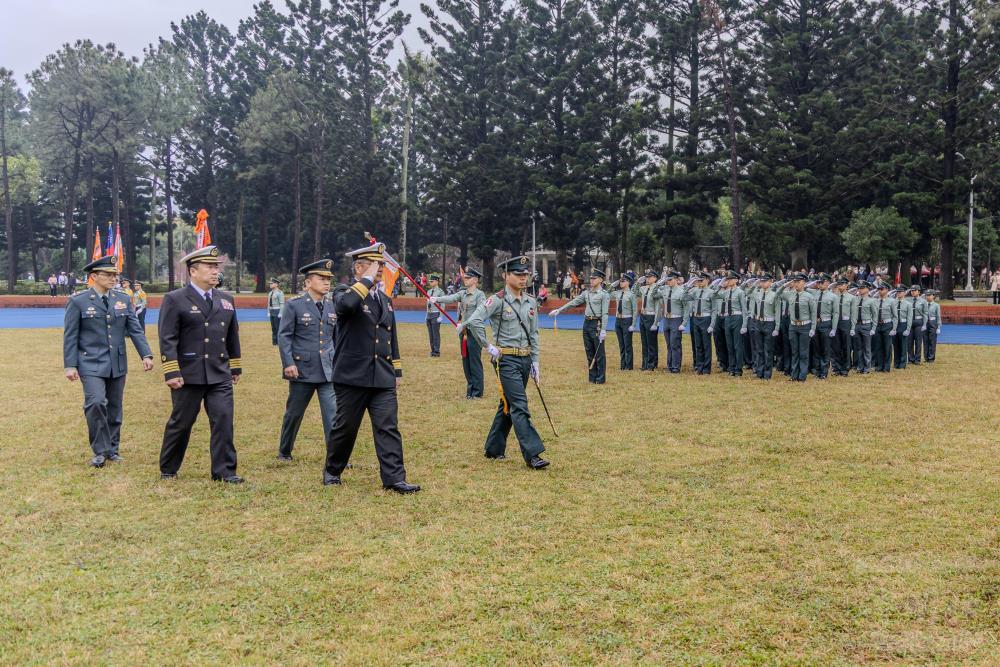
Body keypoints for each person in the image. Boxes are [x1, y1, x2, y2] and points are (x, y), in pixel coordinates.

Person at [323, 242, 420, 493]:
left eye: (381, 265)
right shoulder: (343, 292)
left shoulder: (385, 300)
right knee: (346, 428)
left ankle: (394, 478)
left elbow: (391, 337)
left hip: (382, 377)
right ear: (358, 267)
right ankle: (333, 470)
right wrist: (365, 280)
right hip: (352, 376)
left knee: (388, 427)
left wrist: (396, 371)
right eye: (374, 265)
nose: (380, 269)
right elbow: (346, 306)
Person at [158, 245, 245, 483]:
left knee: (224, 421)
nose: (215, 271)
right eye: (210, 267)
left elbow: (232, 335)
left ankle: (225, 471)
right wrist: (171, 371)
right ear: (193, 271)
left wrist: (235, 366)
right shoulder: (175, 299)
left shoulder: (226, 300)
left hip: (219, 373)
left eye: (217, 267)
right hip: (188, 375)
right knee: (182, 422)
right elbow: (168, 338)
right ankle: (168, 467)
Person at [63, 255, 154, 468]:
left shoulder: (122, 298)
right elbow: (70, 336)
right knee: (95, 403)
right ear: (94, 276)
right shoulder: (78, 301)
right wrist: (70, 365)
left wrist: (146, 354)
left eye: (115, 274)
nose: (114, 278)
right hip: (90, 363)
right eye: (109, 274)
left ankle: (112, 449)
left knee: (114, 407)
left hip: (117, 362)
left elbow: (134, 329)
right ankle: (99, 450)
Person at [466, 255, 549, 469]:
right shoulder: (498, 300)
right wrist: (487, 345)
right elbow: (474, 321)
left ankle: (493, 448)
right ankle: (533, 453)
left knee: (508, 404)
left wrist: (536, 361)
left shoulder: (531, 301)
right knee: (519, 405)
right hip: (506, 360)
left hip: (525, 358)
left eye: (525, 275)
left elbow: (535, 333)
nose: (523, 278)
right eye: (518, 274)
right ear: (505, 275)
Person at [274, 259, 339, 462]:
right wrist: (289, 363)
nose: (327, 283)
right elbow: (284, 336)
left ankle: (335, 455)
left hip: (328, 369)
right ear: (308, 282)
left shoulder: (332, 305)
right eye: (321, 279)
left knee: (333, 415)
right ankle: (285, 451)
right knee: (294, 414)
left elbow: (335, 337)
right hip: (302, 369)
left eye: (328, 279)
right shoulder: (295, 305)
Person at [431, 266, 487, 399]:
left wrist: (464, 324)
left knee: (474, 362)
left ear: (475, 280)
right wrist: (436, 299)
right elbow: (450, 298)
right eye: (465, 277)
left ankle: (477, 392)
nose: (465, 280)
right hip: (464, 333)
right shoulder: (463, 293)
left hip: (475, 333)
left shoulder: (480, 295)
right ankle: (470, 390)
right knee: (465, 362)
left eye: (468, 278)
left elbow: (480, 315)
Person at [550, 268, 610, 384]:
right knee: (589, 351)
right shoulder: (586, 293)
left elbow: (605, 314)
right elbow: (574, 302)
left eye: (594, 278)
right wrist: (559, 310)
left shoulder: (604, 295)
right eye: (591, 278)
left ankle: (600, 378)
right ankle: (592, 377)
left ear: (600, 280)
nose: (591, 280)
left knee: (599, 353)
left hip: (596, 324)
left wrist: (603, 330)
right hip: (586, 323)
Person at [777, 273, 817, 381]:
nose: (796, 284)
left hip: (805, 326)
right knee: (794, 352)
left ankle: (802, 376)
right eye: (795, 282)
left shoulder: (809, 296)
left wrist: (813, 328)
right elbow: (777, 293)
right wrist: (786, 285)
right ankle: (794, 375)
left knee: (803, 352)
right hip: (793, 326)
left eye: (798, 282)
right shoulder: (790, 294)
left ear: (804, 283)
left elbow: (813, 313)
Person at [743, 273, 782, 379]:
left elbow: (777, 312)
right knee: (759, 349)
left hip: (769, 323)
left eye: (765, 281)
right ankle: (759, 371)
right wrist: (755, 285)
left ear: (770, 282)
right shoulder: (757, 293)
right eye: (761, 281)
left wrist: (777, 327)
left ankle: (767, 373)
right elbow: (746, 292)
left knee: (768, 349)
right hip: (757, 322)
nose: (762, 283)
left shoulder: (774, 295)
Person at [713, 270, 749, 376]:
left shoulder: (740, 292)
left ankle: (738, 369)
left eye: (730, 279)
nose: (727, 281)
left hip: (737, 318)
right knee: (729, 344)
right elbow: (714, 295)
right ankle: (731, 367)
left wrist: (744, 325)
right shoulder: (726, 292)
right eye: (727, 279)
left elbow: (744, 310)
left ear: (736, 280)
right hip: (727, 318)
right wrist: (720, 285)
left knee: (737, 345)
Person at [684, 272, 717, 374]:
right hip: (696, 318)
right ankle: (699, 366)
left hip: (705, 318)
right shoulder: (695, 291)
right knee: (698, 344)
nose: (699, 282)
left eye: (701, 280)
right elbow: (684, 297)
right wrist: (688, 286)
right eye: (698, 280)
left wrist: (712, 324)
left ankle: (706, 368)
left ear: (707, 280)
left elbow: (714, 310)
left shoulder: (712, 293)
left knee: (706, 344)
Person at [807, 274, 837, 379]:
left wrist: (833, 328)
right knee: (816, 348)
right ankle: (817, 370)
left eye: (822, 282)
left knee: (825, 348)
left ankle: (824, 372)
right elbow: (805, 286)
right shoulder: (814, 293)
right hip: (815, 324)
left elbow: (836, 313)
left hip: (826, 323)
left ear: (828, 283)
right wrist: (813, 283)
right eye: (818, 282)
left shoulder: (833, 296)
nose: (819, 284)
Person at [657, 271, 688, 373]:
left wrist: (684, 323)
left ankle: (676, 367)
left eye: (670, 280)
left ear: (676, 280)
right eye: (667, 280)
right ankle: (670, 366)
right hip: (666, 319)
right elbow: (654, 294)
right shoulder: (665, 290)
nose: (668, 282)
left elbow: (686, 308)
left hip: (676, 319)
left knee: (675, 344)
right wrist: (659, 283)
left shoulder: (681, 291)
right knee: (669, 344)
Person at [609, 273, 638, 370]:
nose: (621, 283)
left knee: (627, 344)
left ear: (628, 282)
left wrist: (633, 324)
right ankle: (622, 365)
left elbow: (635, 311)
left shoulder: (631, 295)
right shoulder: (617, 293)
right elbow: (606, 294)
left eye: (623, 281)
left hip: (627, 320)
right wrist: (612, 285)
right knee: (621, 344)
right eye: (620, 281)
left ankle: (629, 366)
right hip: (618, 320)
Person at [634, 270, 662, 370]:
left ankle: (652, 364)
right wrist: (637, 282)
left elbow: (658, 307)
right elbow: (635, 291)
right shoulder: (643, 288)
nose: (647, 279)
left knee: (651, 342)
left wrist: (656, 322)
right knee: (644, 341)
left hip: (651, 316)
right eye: (646, 277)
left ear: (655, 278)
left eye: (650, 277)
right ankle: (645, 363)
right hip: (643, 316)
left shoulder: (657, 290)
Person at [830, 279, 857, 376]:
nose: (840, 286)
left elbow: (854, 314)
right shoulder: (834, 296)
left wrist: (853, 327)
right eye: (839, 284)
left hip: (846, 322)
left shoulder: (852, 298)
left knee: (846, 346)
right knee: (835, 346)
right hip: (835, 322)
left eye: (842, 284)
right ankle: (836, 368)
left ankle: (845, 368)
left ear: (847, 285)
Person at [851, 281, 877, 374]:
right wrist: (853, 327)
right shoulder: (856, 300)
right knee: (859, 348)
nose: (860, 290)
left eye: (862, 288)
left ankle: (867, 367)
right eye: (859, 288)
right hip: (857, 325)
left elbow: (875, 315)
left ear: (867, 289)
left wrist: (873, 328)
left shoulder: (871, 301)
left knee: (867, 347)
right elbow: (853, 314)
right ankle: (860, 366)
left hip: (866, 325)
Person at [871, 283, 897, 373]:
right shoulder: (875, 301)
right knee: (878, 346)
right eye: (878, 289)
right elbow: (873, 314)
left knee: (887, 346)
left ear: (886, 290)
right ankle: (879, 366)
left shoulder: (891, 301)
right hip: (877, 325)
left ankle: (886, 366)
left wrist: (894, 328)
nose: (879, 291)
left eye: (881, 289)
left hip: (887, 325)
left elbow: (895, 316)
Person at [890, 284, 913, 370]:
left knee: (903, 345)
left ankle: (903, 363)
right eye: (897, 292)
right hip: (895, 325)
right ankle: (896, 363)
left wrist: (908, 329)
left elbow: (909, 317)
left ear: (904, 293)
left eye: (900, 292)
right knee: (895, 345)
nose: (898, 293)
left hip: (903, 324)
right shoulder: (893, 303)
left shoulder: (908, 304)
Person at [424, 274, 446, 357]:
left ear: (437, 282)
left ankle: (436, 351)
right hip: (429, 314)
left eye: (432, 281)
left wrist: (441, 316)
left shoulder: (440, 292)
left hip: (436, 314)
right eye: (430, 281)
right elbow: (427, 304)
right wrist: (426, 315)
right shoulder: (429, 292)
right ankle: (432, 350)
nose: (430, 282)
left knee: (435, 334)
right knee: (431, 335)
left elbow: (442, 304)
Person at [907, 284, 927, 364]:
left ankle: (917, 359)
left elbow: (925, 313)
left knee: (918, 341)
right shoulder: (908, 300)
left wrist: (925, 324)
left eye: (914, 291)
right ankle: (910, 359)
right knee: (909, 341)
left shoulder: (923, 301)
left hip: (919, 322)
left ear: (919, 292)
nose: (913, 292)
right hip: (910, 321)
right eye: (911, 290)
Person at [924, 290, 941, 361]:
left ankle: (931, 357)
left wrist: (938, 327)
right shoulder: (924, 304)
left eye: (929, 295)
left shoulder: (936, 305)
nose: (927, 297)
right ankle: (926, 357)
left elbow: (938, 316)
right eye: (927, 295)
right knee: (925, 341)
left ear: (933, 296)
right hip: (925, 323)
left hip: (933, 323)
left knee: (932, 341)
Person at [267, 277, 285, 346]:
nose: (270, 285)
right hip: (271, 311)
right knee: (273, 328)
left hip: (277, 311)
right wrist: (268, 311)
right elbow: (268, 303)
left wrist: (281, 313)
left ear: (276, 284)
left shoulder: (280, 293)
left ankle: (279, 342)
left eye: (272, 283)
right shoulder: (270, 293)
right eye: (270, 283)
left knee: (278, 328)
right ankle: (274, 342)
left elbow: (282, 303)